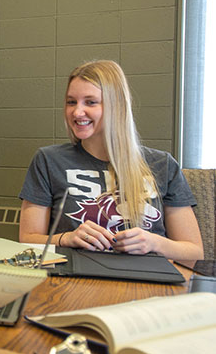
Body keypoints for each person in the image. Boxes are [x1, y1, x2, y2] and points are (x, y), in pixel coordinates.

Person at [18, 60, 203, 261]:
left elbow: (194, 252)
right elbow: (27, 240)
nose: (77, 112)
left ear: (117, 105)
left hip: (146, 282)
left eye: (90, 102)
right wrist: (67, 238)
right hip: (74, 280)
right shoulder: (48, 160)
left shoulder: (163, 165)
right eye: (72, 102)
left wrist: (153, 243)